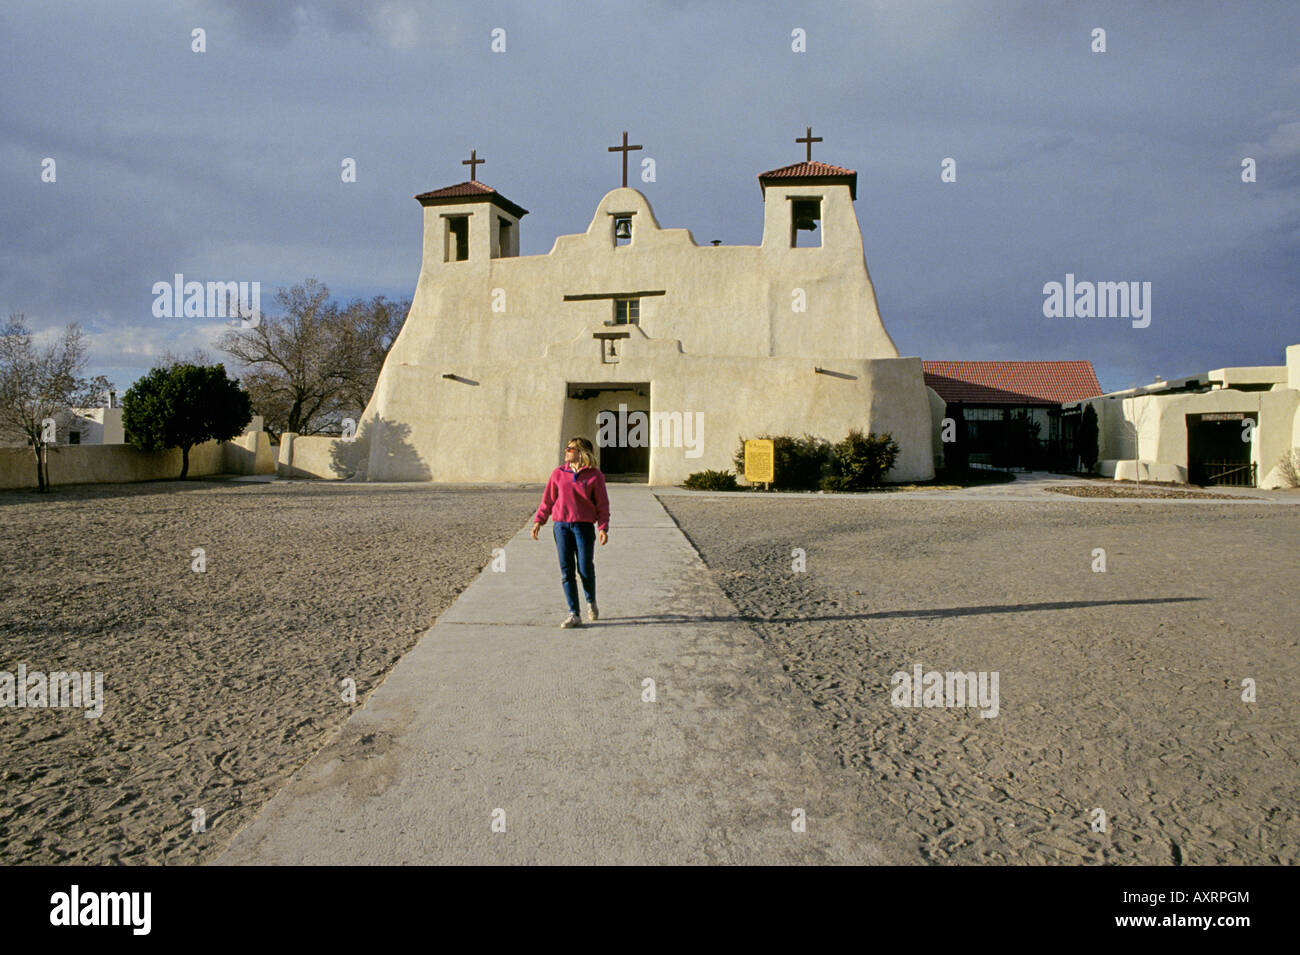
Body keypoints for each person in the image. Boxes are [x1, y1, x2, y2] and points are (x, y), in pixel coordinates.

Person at [531, 437, 610, 628]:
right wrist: (539, 521)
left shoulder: (595, 476)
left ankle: (591, 601)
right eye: (567, 448)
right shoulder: (558, 473)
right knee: (567, 571)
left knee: (584, 568)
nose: (566, 451)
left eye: (570, 448)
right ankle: (574, 613)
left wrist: (603, 527)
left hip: (583, 527)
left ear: (581, 452)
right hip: (561, 527)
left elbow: (602, 504)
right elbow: (548, 500)